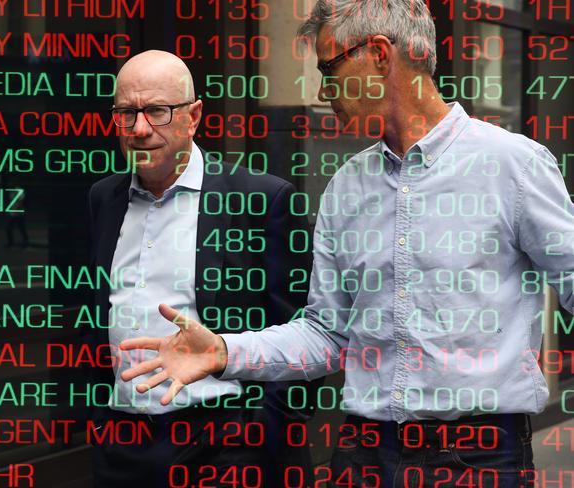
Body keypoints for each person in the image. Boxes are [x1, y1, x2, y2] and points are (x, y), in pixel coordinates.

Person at [118, 2, 572, 487]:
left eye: (328, 68)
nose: (321, 89)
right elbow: (325, 334)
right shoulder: (347, 186)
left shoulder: (513, 166)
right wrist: (225, 352)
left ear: (378, 54)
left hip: (480, 460)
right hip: (363, 455)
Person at [83, 50, 319, 487]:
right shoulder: (103, 198)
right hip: (122, 445)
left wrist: (262, 430)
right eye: (127, 113)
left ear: (192, 117)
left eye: (157, 111)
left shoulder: (261, 200)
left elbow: (309, 331)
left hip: (225, 446)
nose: (140, 129)